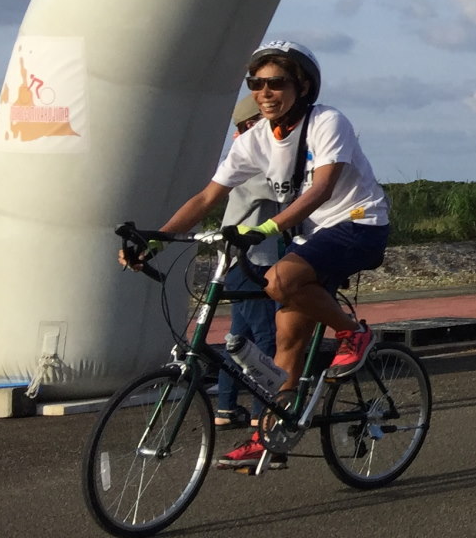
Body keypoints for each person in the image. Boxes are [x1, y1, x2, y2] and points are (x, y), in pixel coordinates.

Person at [133, 40, 387, 470]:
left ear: (302, 86)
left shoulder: (327, 122)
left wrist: (268, 228)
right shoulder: (254, 140)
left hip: (360, 223)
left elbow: (322, 188)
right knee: (287, 339)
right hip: (314, 236)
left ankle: (353, 334)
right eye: (256, 84)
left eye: (276, 83)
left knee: (279, 280)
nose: (264, 92)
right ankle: (270, 436)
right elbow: (207, 198)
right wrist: (156, 240)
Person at [213, 93, 284, 429]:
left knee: (238, 338)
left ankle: (226, 408)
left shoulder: (241, 156)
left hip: (236, 261)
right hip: (253, 259)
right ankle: (261, 410)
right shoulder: (256, 160)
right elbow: (289, 191)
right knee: (265, 336)